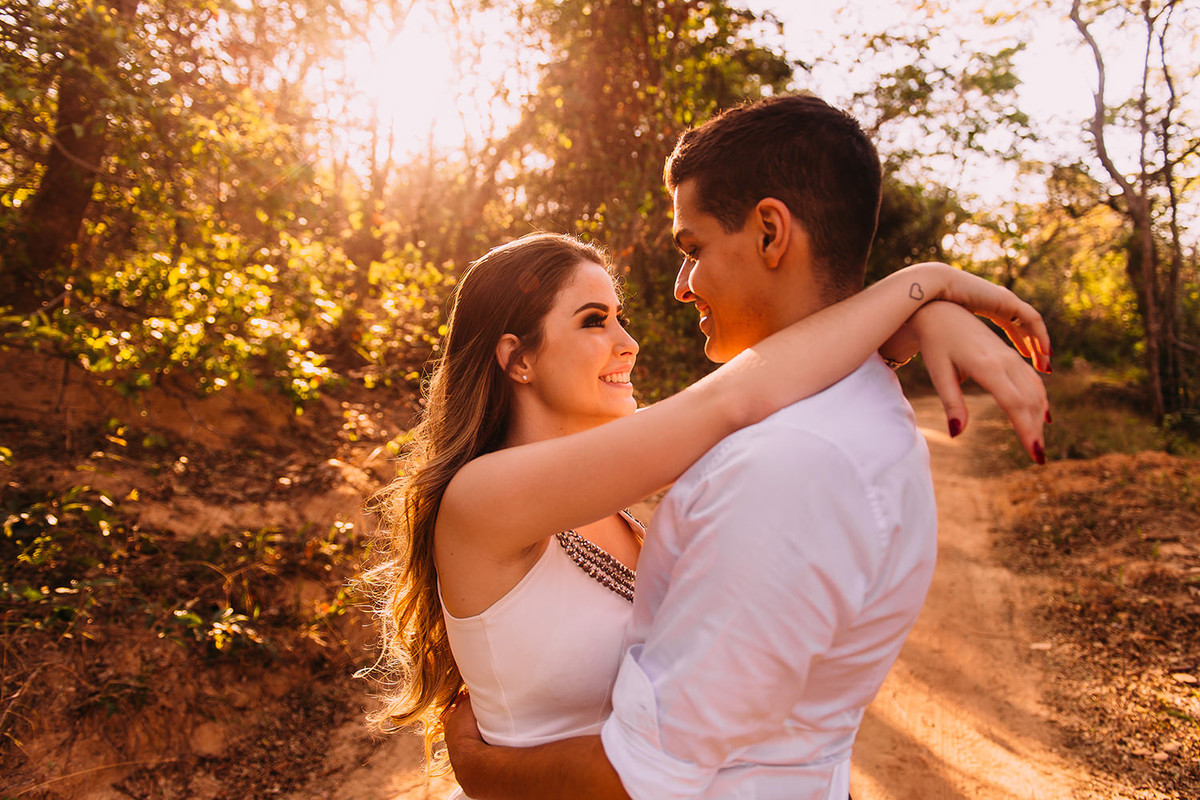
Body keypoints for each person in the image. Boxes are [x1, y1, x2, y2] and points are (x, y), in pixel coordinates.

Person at [437, 94, 1050, 799]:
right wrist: (920, 292)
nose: (632, 339)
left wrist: (922, 307)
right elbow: (734, 398)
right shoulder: (487, 497)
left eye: (691, 249)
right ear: (517, 358)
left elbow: (745, 396)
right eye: (594, 320)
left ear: (769, 233)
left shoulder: (770, 466)